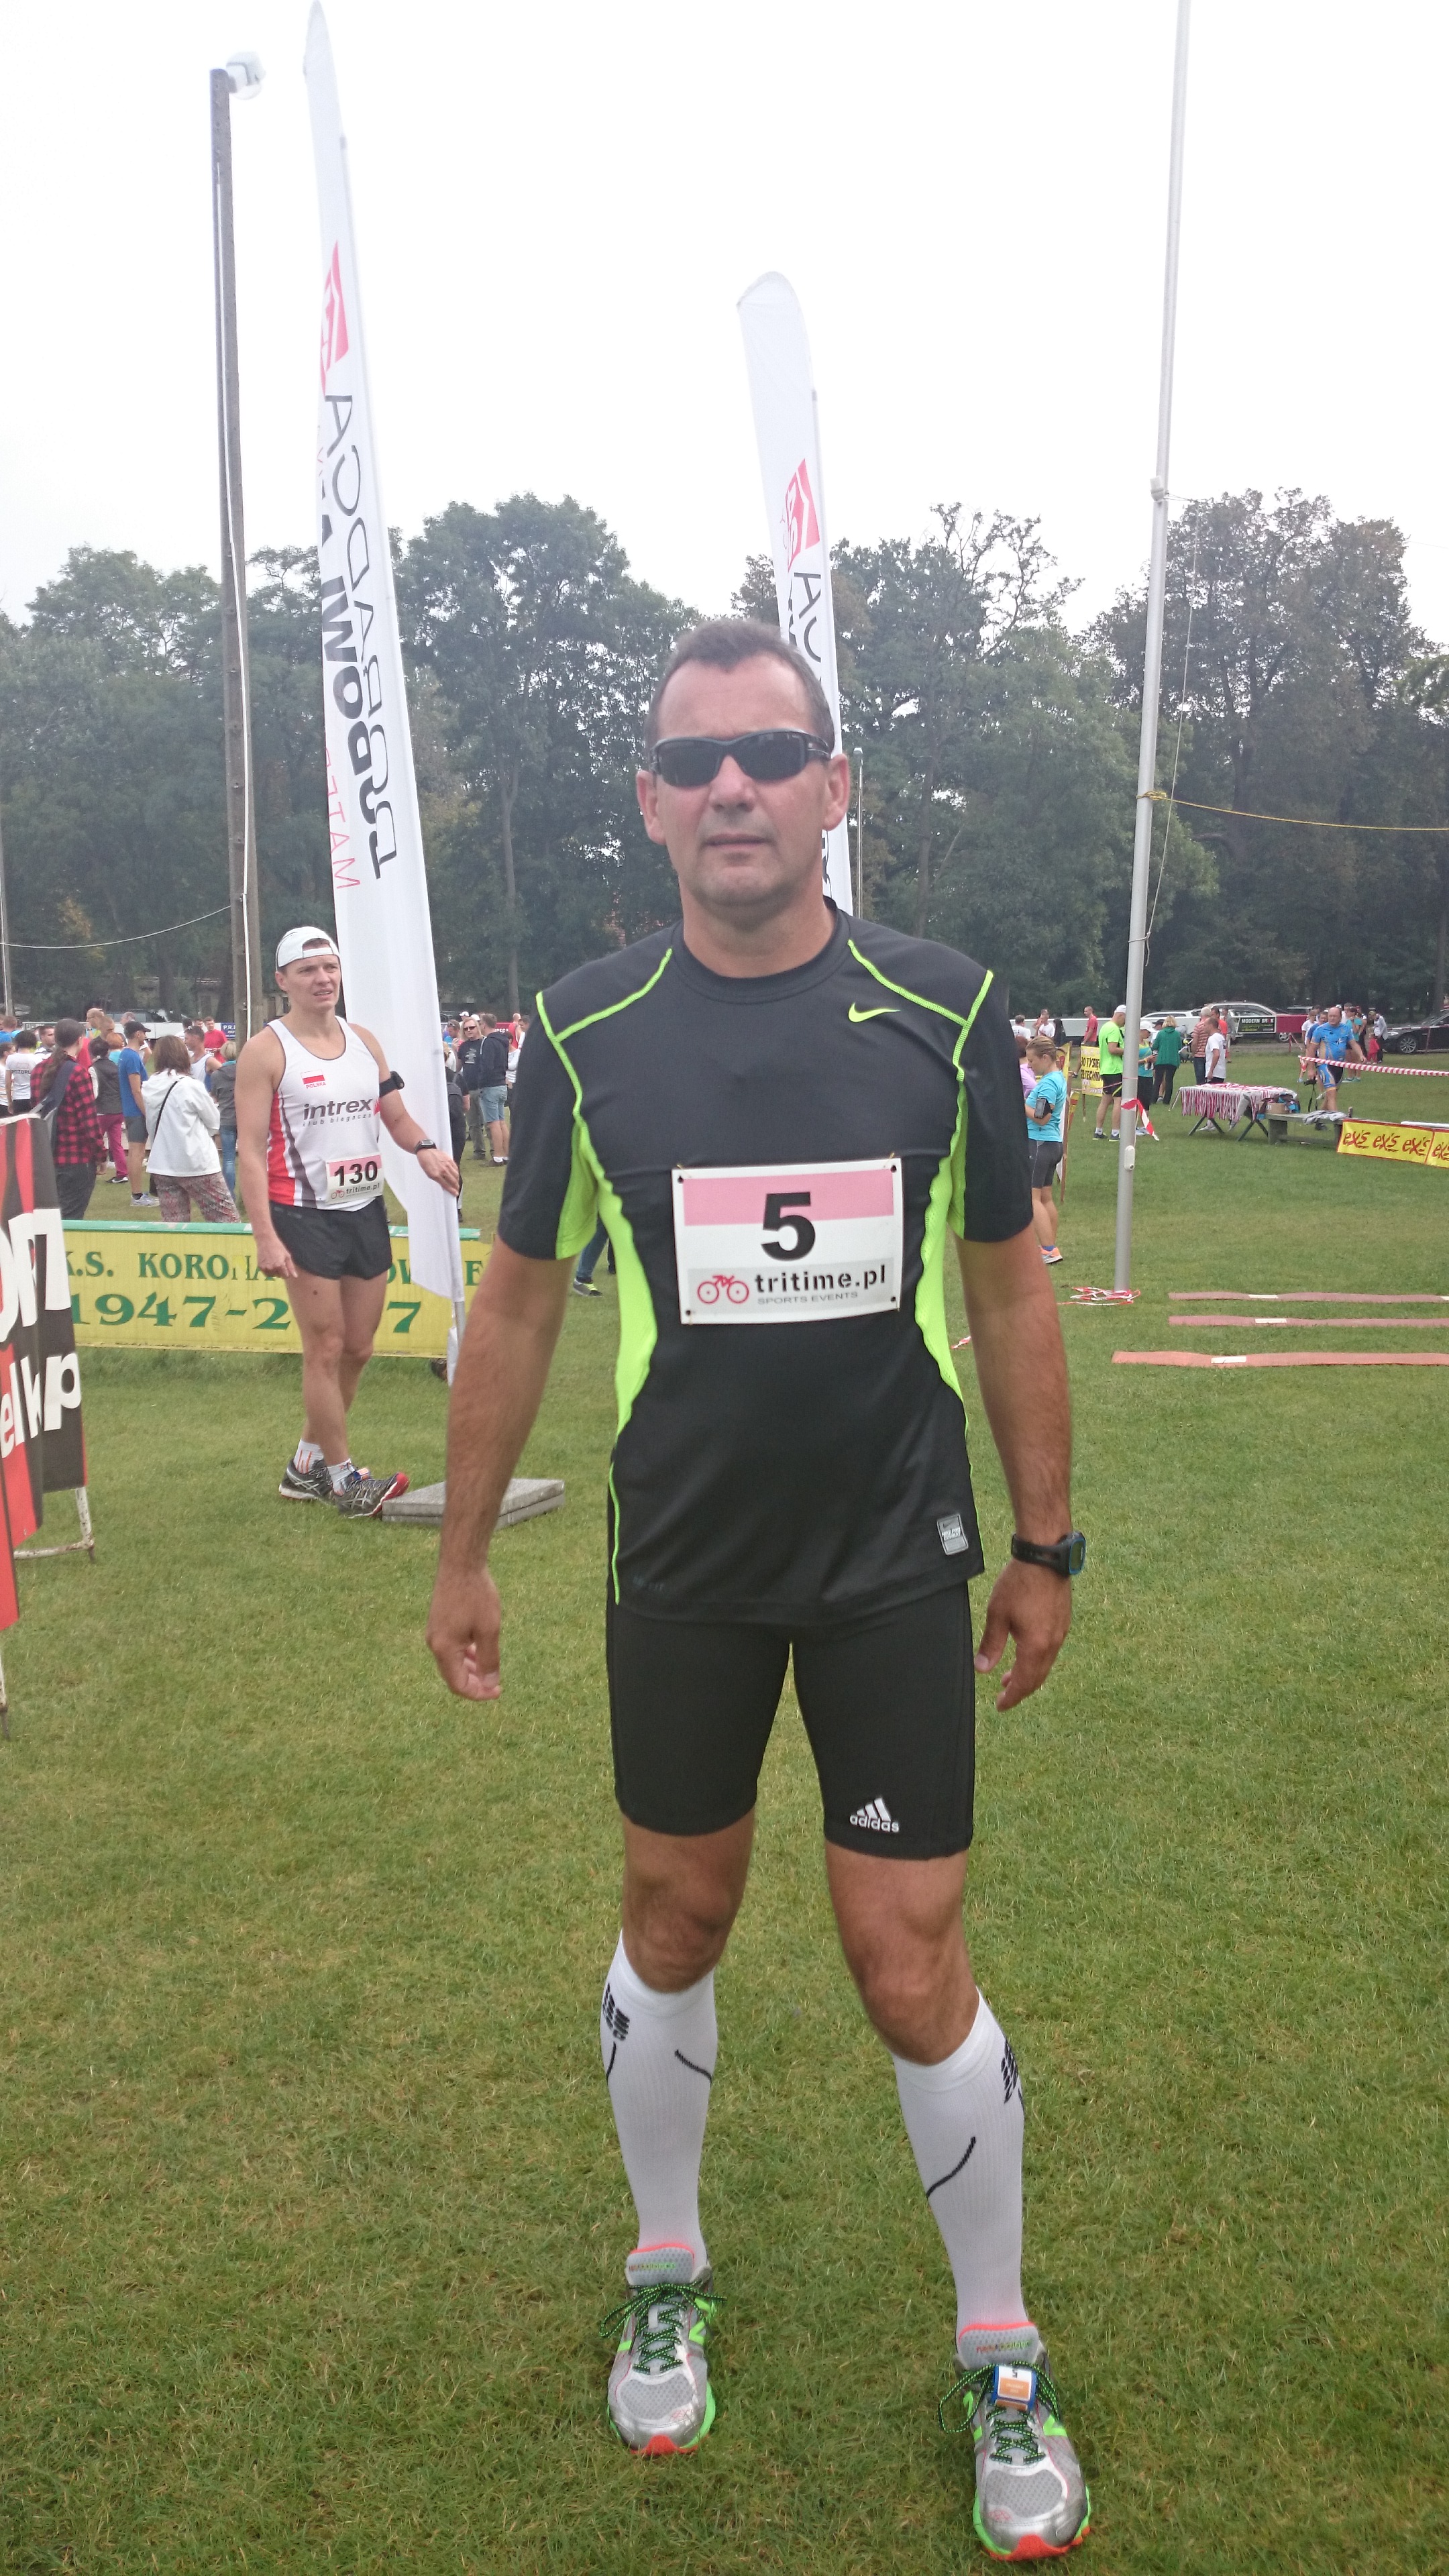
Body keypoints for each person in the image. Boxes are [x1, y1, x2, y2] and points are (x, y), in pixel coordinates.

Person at [426, 619, 1089, 2558]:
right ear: (650, 803)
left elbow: (1008, 1285)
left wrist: (1044, 1541)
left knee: (909, 1956)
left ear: (832, 788)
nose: (735, 787)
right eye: (695, 761)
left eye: (773, 754)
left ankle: (999, 2348)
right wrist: (460, 1550)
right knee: (674, 1915)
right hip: (688, 1570)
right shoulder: (581, 1028)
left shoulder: (944, 1009)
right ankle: (666, 2262)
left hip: (891, 1563)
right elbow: (519, 1299)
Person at [234, 925, 461, 1517]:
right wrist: (264, 1235)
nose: (322, 979)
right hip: (301, 1212)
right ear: (283, 981)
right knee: (326, 1346)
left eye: (330, 967)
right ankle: (343, 1480)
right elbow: (249, 1151)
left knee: (358, 1347)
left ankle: (304, 1466)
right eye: (308, 970)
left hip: (363, 1208)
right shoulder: (266, 1051)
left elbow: (395, 1116)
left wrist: (426, 1149)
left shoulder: (363, 1042)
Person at [142, 1036, 239, 1224]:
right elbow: (214, 1122)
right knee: (226, 1222)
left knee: (174, 1225)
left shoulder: (149, 1087)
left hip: (163, 1164)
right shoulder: (190, 1086)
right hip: (197, 1163)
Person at [35, 1018, 107, 1219]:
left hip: (46, 1155)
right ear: (80, 1040)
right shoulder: (78, 1073)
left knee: (48, 1218)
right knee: (71, 1219)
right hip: (76, 1156)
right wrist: (101, 1154)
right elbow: (89, 1122)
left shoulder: (38, 1070)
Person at [1023, 1038, 1067, 1265]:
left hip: (1039, 1143)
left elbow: (1041, 1118)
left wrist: (1020, 1104)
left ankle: (1049, 1249)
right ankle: (1049, 1246)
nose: (1029, 1065)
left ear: (1046, 1058)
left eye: (1032, 1061)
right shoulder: (1058, 1078)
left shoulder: (1049, 1083)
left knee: (1033, 1199)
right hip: (1052, 1144)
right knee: (1046, 1197)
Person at [116, 1019, 158, 1205]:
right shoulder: (133, 1057)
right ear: (138, 1034)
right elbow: (136, 1090)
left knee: (136, 1152)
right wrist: (147, 1113)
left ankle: (137, 1194)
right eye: (144, 1033)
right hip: (136, 1110)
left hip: (129, 1109)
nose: (146, 1037)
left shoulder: (125, 1055)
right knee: (137, 1153)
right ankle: (137, 1195)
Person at [1305, 1002, 1362, 1114]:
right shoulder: (1320, 1030)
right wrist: (1311, 1069)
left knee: (1330, 1095)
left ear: (1340, 1017)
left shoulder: (1345, 1029)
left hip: (1339, 1066)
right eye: (1330, 1016)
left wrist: (1361, 1055)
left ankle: (1318, 1118)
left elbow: (1353, 1044)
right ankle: (1337, 1120)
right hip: (1324, 1066)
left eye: (1335, 1016)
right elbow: (1311, 1050)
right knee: (1331, 1094)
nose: (1332, 1018)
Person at [91, 1029, 129, 1184]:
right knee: (116, 1144)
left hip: (102, 1111)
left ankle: (93, 1168)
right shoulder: (115, 1066)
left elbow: (94, 1093)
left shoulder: (93, 1068)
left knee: (94, 1141)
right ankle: (122, 1173)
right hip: (118, 1110)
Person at [476, 1014, 511, 1163]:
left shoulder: (488, 1042)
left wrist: (481, 1083)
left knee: (493, 1123)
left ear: (484, 1025)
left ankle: (497, 1156)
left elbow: (487, 1066)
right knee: (502, 1121)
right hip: (502, 1084)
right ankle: (507, 1154)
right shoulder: (503, 1041)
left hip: (491, 1085)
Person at [455, 1015, 488, 1159]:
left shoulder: (484, 1043)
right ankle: (479, 1151)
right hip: (468, 1088)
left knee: (489, 1122)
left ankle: (496, 1152)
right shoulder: (463, 1046)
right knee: (473, 1124)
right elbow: (458, 1067)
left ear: (477, 1028)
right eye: (466, 1028)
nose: (469, 1030)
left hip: (483, 1087)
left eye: (472, 1027)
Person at [211, 1041, 239, 1201]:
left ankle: (229, 1195)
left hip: (226, 1119)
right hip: (244, 1119)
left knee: (228, 1159)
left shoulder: (217, 1075)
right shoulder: (244, 1070)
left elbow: (215, 1096)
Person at [1093, 1006, 1126, 1139]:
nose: (1125, 1023)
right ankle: (1115, 1132)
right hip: (1115, 1069)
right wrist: (1129, 1050)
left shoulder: (1105, 1027)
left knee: (1105, 1100)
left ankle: (1098, 1131)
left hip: (1105, 1069)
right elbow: (1112, 1049)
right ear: (1121, 1015)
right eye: (1125, 1019)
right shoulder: (1114, 1029)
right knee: (1119, 1101)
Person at [6, 1028, 40, 1114]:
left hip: (17, 1098)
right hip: (33, 1097)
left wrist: (10, 1102)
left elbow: (8, 1082)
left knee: (19, 1122)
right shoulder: (37, 1059)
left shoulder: (10, 1059)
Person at [1152, 1015, 1183, 1103]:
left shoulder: (1161, 1033)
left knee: (1158, 1080)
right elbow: (1179, 1047)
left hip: (1161, 1060)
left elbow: (1155, 1046)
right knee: (1169, 1081)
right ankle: (1167, 1100)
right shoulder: (1177, 1034)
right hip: (1173, 1060)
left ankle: (1153, 1099)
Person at [1203, 1016, 1229, 1084]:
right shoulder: (1221, 1038)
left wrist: (1211, 1071)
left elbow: (1216, 1054)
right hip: (1221, 1073)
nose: (1204, 1027)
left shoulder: (1213, 1039)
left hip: (1214, 1074)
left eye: (1205, 1025)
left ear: (1211, 1026)